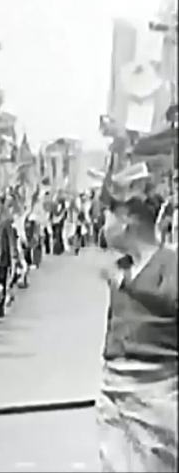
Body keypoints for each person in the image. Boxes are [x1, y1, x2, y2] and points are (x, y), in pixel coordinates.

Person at [98, 187, 178, 472]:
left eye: (108, 215)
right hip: (114, 389)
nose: (103, 223)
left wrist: (129, 286)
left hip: (156, 393)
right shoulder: (121, 266)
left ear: (127, 218)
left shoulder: (169, 264)